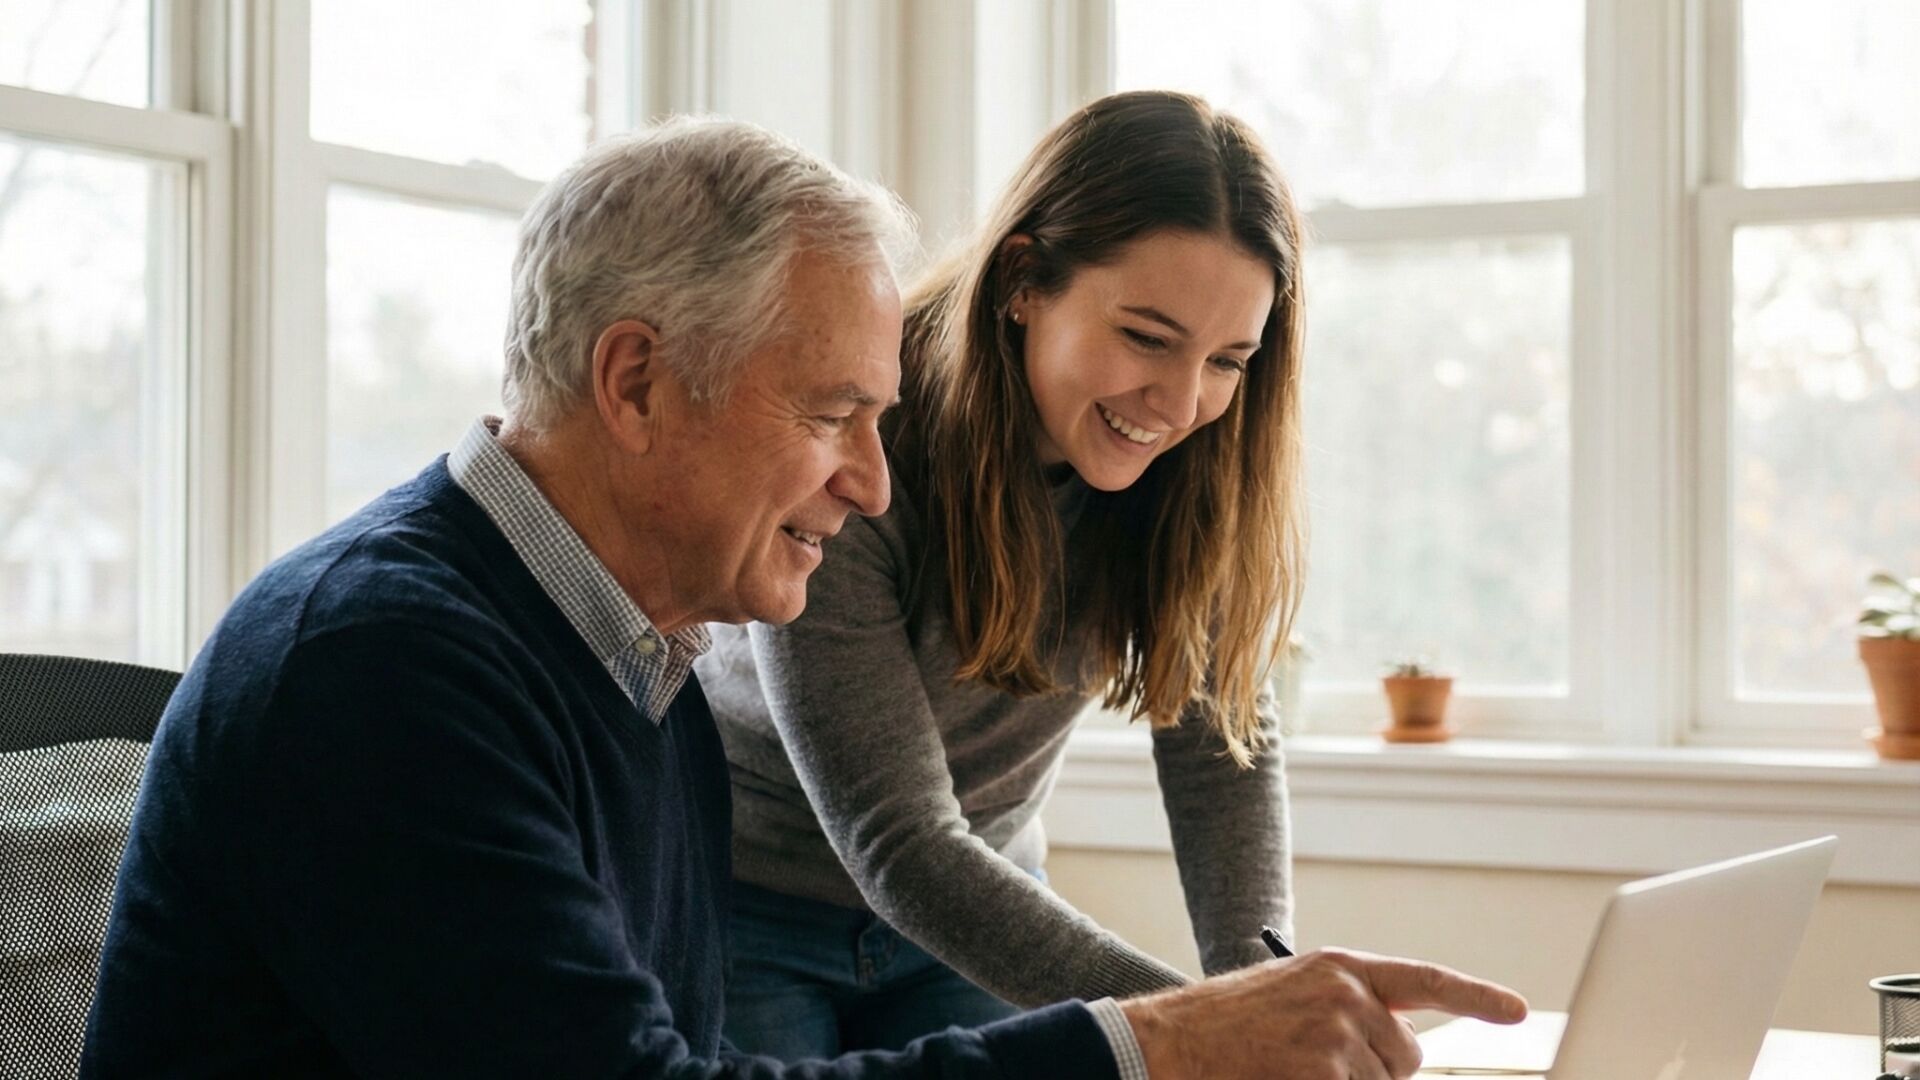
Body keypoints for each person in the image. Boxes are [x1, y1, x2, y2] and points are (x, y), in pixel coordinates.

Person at [82, 117, 1525, 1079]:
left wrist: (1241, 998)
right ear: (638, 382)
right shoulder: (385, 672)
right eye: (835, 412)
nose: (875, 485)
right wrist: (1167, 1039)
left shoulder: (627, 654)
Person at [700, 89, 1316, 1058]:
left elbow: (1219, 742)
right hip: (751, 907)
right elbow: (902, 846)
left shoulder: (1195, 463)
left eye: (1230, 360)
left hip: (980, 902)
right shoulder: (860, 434)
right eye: (1147, 339)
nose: (1182, 401)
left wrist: (1264, 989)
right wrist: (1199, 1029)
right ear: (1025, 279)